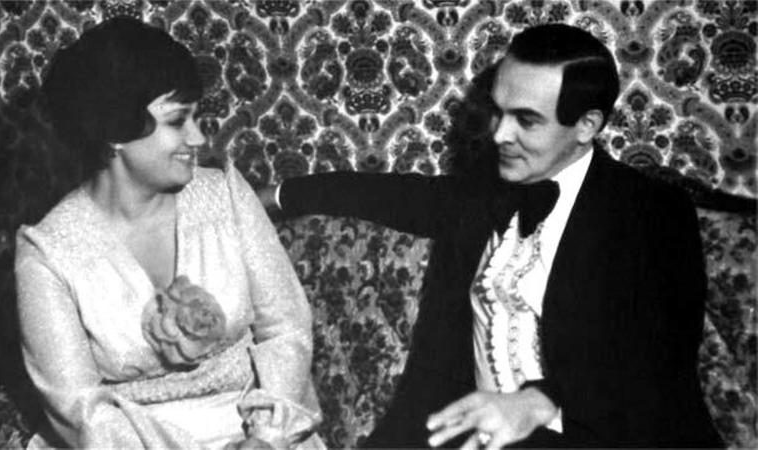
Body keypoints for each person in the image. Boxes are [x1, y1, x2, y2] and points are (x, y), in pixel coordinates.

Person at [261, 23, 721, 448]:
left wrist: (540, 402)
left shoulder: (651, 212)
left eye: (527, 120)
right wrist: (272, 196)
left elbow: (659, 366)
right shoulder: (481, 194)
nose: (500, 134)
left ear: (587, 125)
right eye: (498, 112)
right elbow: (387, 194)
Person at [16, 17, 322, 449]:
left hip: (259, 434)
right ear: (114, 131)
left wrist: (266, 438)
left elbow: (287, 329)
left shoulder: (225, 195)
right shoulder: (48, 252)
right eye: (177, 120)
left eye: (196, 116)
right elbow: (80, 410)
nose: (198, 138)